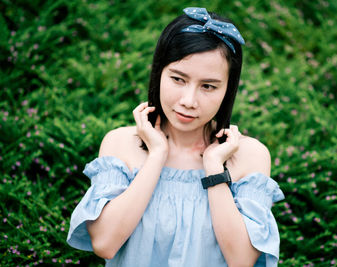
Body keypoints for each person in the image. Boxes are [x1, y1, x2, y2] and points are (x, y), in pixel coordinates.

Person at [67, 7, 284, 267]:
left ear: (228, 89)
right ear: (159, 73)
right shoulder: (120, 144)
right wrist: (157, 154)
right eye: (178, 79)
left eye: (208, 86)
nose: (189, 101)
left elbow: (241, 260)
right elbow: (104, 243)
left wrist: (214, 168)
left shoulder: (249, 156)